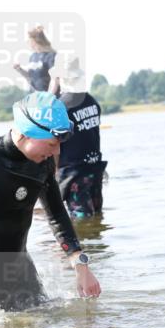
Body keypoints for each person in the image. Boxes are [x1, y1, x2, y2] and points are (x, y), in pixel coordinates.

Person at [0, 91, 101, 319]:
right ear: (28, 133)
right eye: (53, 143)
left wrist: (81, 266)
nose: (57, 151)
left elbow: (57, 217)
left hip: (22, 276)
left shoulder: (43, 164)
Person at [48, 54, 107, 217]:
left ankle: (83, 243)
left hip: (74, 175)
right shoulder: (91, 101)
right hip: (94, 168)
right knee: (96, 217)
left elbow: (53, 145)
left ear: (60, 78)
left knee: (82, 220)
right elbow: (93, 137)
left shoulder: (60, 108)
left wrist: (53, 175)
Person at [12, 25, 56, 93]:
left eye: (29, 41)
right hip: (34, 96)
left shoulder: (51, 56)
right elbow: (30, 77)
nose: (27, 43)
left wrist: (49, 96)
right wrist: (19, 69)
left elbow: (55, 78)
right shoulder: (33, 56)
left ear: (35, 41)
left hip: (47, 96)